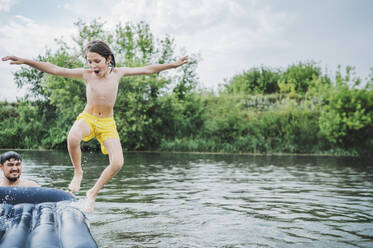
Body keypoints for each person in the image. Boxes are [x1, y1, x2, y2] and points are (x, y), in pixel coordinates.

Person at [2, 40, 188, 213]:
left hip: (107, 123)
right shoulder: (87, 74)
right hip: (89, 118)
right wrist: (26, 61)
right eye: (89, 61)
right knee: (73, 137)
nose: (92, 66)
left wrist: (173, 65)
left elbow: (148, 69)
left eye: (96, 61)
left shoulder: (118, 73)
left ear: (108, 59)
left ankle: (93, 192)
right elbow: (55, 69)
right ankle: (78, 173)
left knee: (117, 163)